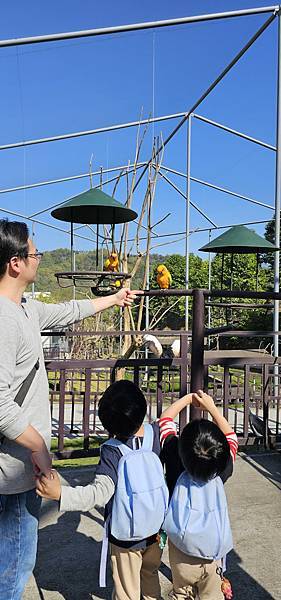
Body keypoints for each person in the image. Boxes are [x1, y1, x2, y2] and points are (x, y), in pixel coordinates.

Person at [0, 218, 140, 600]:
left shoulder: (24, 309)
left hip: (19, 465)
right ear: (16, 262)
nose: (39, 259)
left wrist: (112, 300)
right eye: (35, 253)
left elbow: (67, 310)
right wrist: (38, 447)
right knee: (14, 567)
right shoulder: (4, 319)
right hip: (11, 470)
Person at [36, 380, 193, 600]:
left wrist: (61, 493)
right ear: (142, 408)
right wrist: (189, 399)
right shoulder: (155, 434)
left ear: (109, 425)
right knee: (150, 576)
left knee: (126, 590)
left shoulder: (112, 452)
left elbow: (98, 493)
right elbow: (166, 418)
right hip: (158, 531)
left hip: (126, 538)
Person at [159, 390, 238, 600]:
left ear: (181, 449)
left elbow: (165, 420)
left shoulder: (175, 462)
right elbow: (231, 437)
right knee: (212, 594)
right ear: (219, 455)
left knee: (181, 593)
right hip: (212, 555)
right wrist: (211, 407)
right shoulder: (222, 470)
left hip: (181, 553)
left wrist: (188, 399)